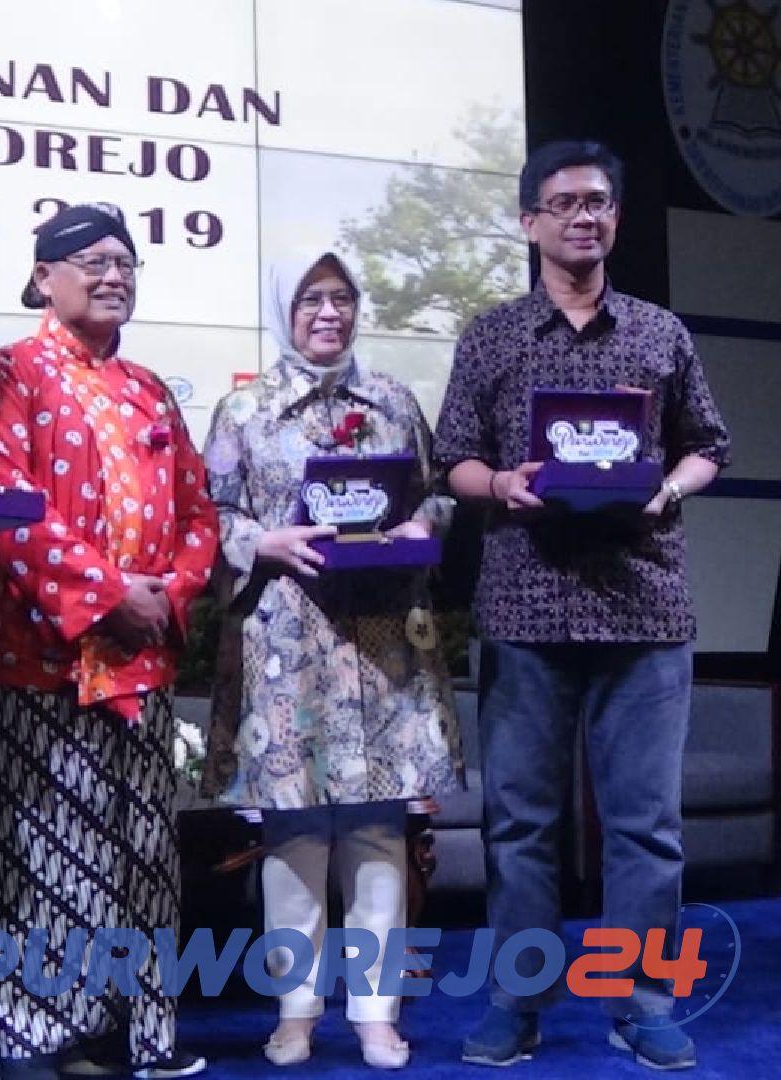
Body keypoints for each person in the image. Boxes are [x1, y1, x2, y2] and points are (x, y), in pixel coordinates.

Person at [435, 139, 731, 1071]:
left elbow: (708, 445)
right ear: (528, 223)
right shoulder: (491, 335)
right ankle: (518, 1004)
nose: (582, 217)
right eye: (561, 203)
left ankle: (641, 999)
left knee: (646, 822)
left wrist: (669, 491)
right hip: (526, 606)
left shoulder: (660, 334)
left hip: (643, 611)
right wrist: (504, 484)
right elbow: (452, 458)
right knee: (520, 824)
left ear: (616, 218)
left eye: (597, 201)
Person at [0, 203, 219, 1080]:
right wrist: (108, 596)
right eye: (92, 260)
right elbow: (5, 505)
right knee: (45, 850)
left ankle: (138, 1033)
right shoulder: (3, 376)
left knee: (145, 850)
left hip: (142, 661)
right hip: (44, 657)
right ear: (44, 276)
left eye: (126, 262)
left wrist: (170, 593)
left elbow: (198, 512)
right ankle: (40, 1041)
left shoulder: (152, 389)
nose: (114, 274)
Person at [198, 251, 462, 1071]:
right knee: (295, 834)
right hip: (286, 644)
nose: (328, 313)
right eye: (311, 299)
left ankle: (377, 1015)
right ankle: (297, 1012)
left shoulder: (392, 399)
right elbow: (208, 516)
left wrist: (428, 527)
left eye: (342, 298)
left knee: (380, 829)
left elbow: (435, 494)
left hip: (383, 641)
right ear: (287, 309)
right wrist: (260, 541)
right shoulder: (245, 408)